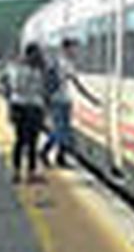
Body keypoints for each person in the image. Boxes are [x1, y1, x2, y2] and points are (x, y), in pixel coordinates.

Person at [40, 37, 100, 169]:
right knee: (60, 131)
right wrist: (92, 99)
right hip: (59, 101)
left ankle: (60, 157)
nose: (75, 51)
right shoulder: (65, 64)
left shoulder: (59, 62)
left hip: (62, 100)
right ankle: (45, 152)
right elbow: (77, 85)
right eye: (73, 48)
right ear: (65, 49)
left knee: (64, 131)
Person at [1, 43, 48, 185]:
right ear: (30, 54)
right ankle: (26, 172)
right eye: (36, 53)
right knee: (27, 141)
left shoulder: (18, 68)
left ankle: (21, 172)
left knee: (24, 141)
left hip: (23, 106)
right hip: (29, 107)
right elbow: (40, 88)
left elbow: (8, 87)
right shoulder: (29, 69)